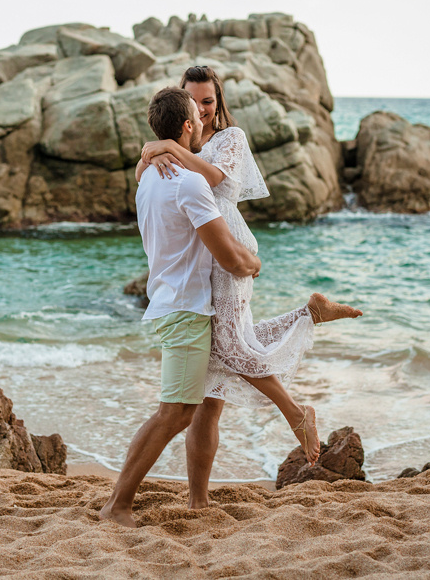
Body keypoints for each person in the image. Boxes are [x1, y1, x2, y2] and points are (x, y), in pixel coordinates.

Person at [137, 65, 363, 509]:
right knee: (208, 395)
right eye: (193, 101)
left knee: (229, 344)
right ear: (183, 108)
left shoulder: (229, 139)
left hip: (228, 245)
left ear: (218, 105)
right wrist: (152, 152)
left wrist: (163, 146)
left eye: (209, 101)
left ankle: (296, 413)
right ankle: (199, 500)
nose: (202, 109)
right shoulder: (177, 148)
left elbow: (214, 180)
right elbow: (147, 187)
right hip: (202, 259)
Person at [99, 87, 261, 528]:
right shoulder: (187, 181)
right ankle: (117, 505)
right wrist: (254, 262)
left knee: (180, 409)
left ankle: (129, 501)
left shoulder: (149, 175)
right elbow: (229, 256)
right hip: (187, 309)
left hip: (169, 302)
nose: (204, 122)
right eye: (197, 115)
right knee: (174, 412)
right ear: (188, 125)